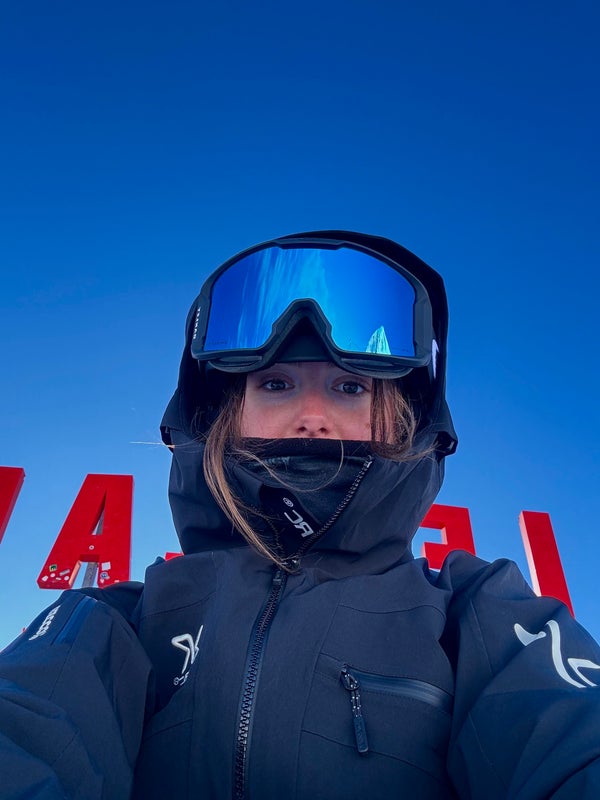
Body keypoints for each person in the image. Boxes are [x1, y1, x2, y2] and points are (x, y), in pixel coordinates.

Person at [1, 230, 599, 799]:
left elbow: (570, 741)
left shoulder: (476, 611)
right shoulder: (123, 619)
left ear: (402, 420)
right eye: (276, 384)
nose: (312, 416)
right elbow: (25, 728)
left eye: (349, 388)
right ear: (223, 414)